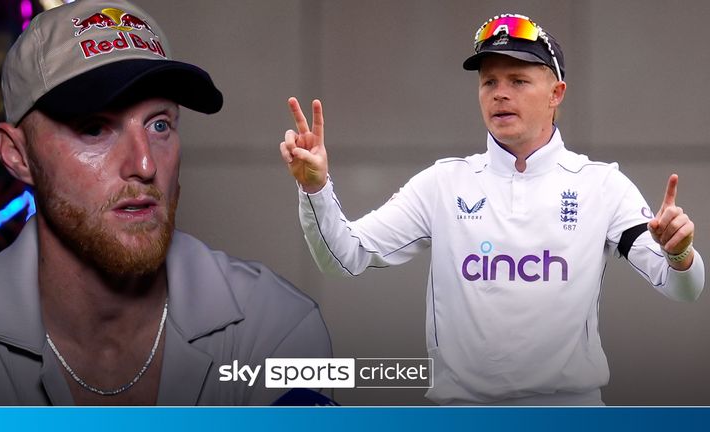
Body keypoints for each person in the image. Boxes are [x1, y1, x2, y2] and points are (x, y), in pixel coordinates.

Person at [279, 13, 704, 405]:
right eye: (489, 82)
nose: (500, 93)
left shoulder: (601, 185)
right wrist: (315, 188)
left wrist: (679, 252)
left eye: (518, 80)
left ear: (557, 93)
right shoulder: (442, 183)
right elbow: (343, 256)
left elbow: (682, 287)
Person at [0, 0, 331, 406]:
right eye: (94, 128)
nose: (145, 165)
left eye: (159, 125)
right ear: (17, 155)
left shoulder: (273, 327)